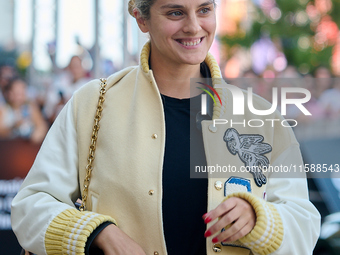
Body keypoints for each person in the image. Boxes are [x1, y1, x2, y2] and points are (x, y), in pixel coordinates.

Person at [11, 0, 320, 255]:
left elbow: (304, 224)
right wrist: (98, 234)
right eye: (175, 12)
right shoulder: (92, 103)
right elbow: (31, 205)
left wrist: (259, 220)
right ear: (141, 18)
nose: (193, 26)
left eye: (204, 9)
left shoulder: (262, 115)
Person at [0, 78, 48, 144]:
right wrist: (14, 126)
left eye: (22, 93)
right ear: (9, 94)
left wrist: (35, 136)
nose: (20, 96)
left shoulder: (30, 107)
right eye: (17, 93)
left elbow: (41, 127)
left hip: (27, 148)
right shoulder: (4, 110)